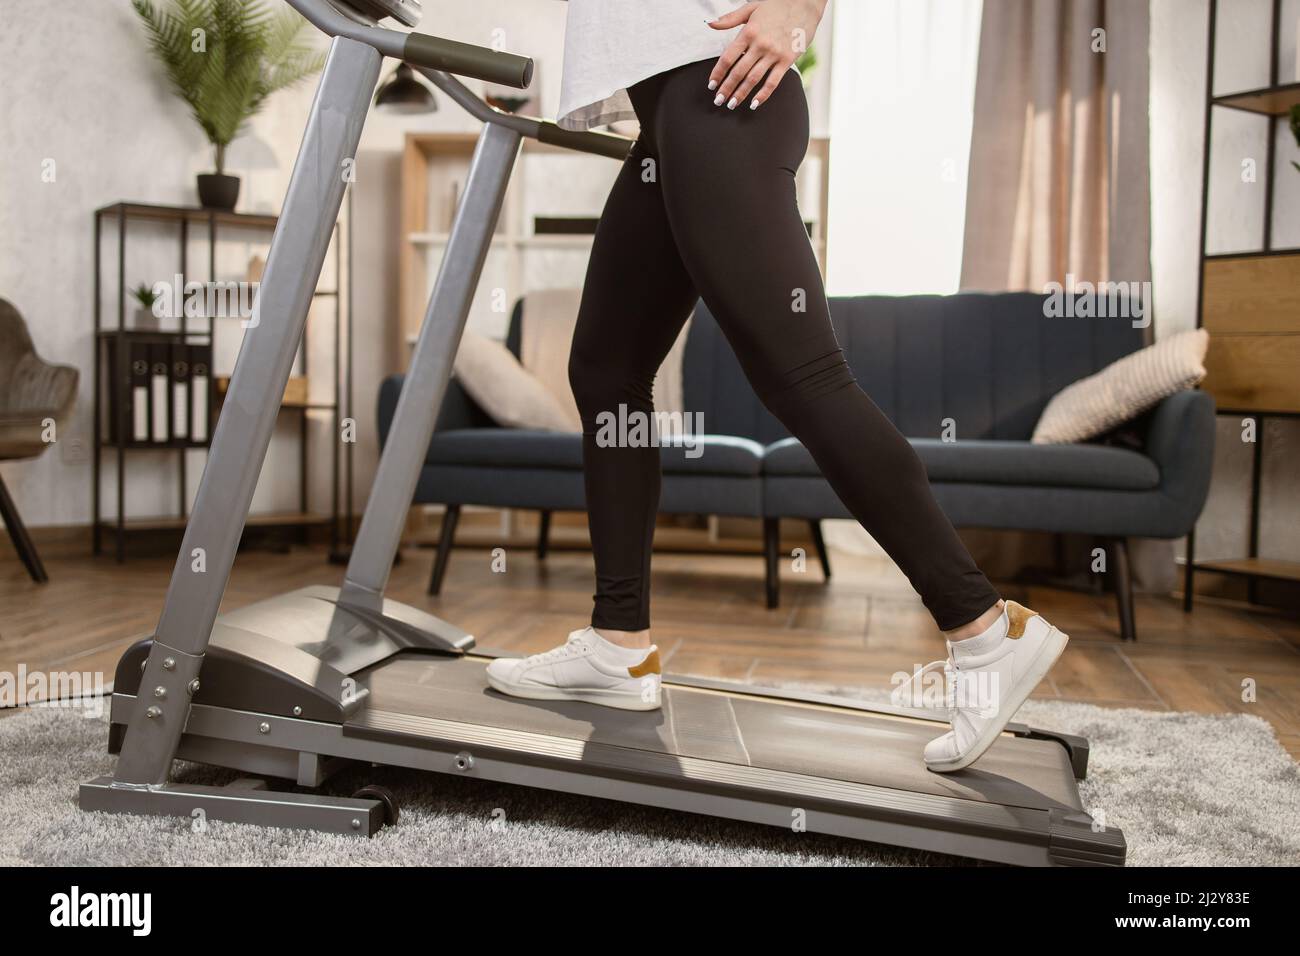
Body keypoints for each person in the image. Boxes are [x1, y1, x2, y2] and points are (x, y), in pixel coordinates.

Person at [485, 0, 1068, 774]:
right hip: (674, 117)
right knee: (605, 369)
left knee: (803, 375)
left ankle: (983, 628)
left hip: (720, 94)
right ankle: (617, 643)